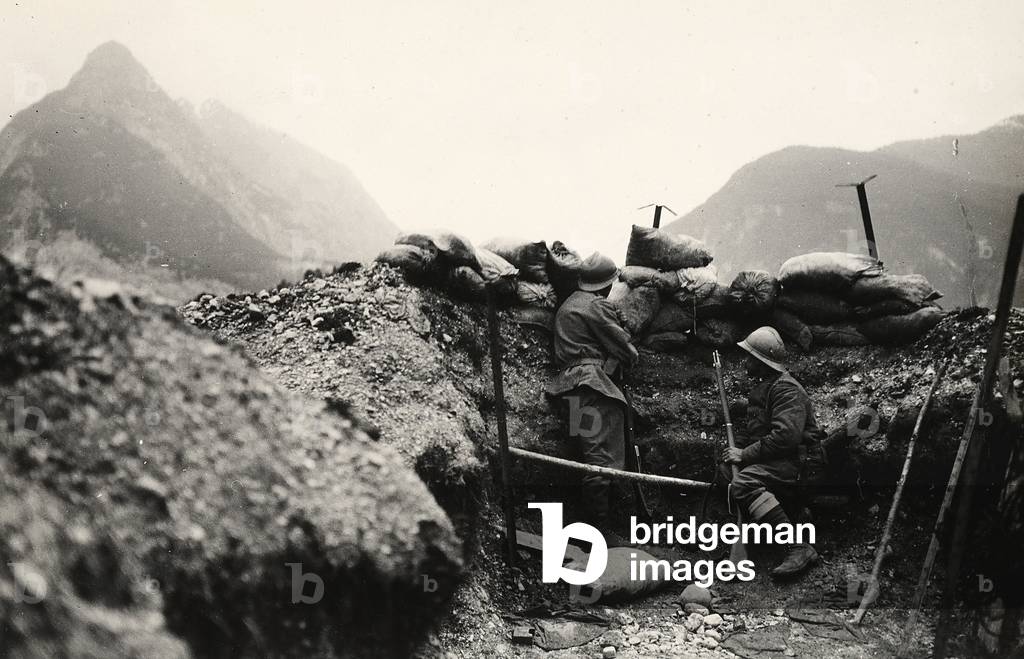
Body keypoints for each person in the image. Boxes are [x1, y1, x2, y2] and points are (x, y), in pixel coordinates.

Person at [720, 326, 827, 579]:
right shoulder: (766, 388)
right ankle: (780, 521)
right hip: (785, 458)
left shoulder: (785, 390)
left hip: (803, 462)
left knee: (744, 482)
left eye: (749, 357)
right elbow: (759, 432)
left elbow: (784, 438)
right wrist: (735, 450)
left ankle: (797, 546)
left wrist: (744, 455)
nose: (745, 361)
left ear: (761, 361)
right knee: (727, 472)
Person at [546, 252, 638, 533]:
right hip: (592, 388)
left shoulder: (568, 304)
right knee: (602, 459)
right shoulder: (596, 306)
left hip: (570, 389)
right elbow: (625, 349)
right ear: (606, 285)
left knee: (589, 453)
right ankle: (600, 530)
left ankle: (592, 525)